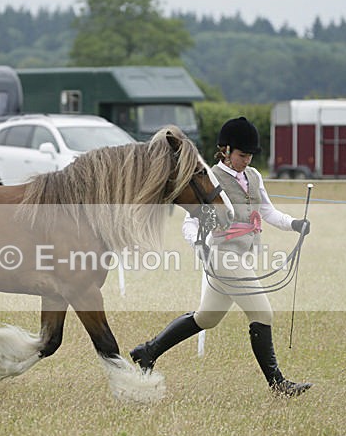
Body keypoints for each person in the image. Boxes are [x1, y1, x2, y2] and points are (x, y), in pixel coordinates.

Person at [130, 116, 313, 397]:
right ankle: (278, 385)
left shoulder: (254, 177)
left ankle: (147, 351)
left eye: (250, 155)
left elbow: (267, 212)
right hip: (223, 256)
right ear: (225, 150)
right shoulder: (210, 177)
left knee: (207, 318)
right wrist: (198, 246)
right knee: (262, 312)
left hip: (242, 256)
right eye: (242, 154)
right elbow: (190, 223)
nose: (247, 160)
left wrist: (294, 224)